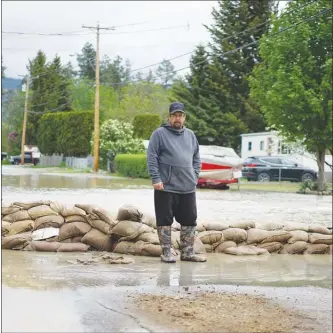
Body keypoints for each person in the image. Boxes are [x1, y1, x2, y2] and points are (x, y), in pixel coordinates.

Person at [147, 102, 206, 263]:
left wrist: (194, 176)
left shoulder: (191, 135)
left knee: (190, 219)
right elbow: (152, 157)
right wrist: (156, 178)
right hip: (165, 186)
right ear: (169, 117)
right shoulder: (159, 134)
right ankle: (166, 252)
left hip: (187, 186)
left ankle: (187, 252)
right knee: (165, 220)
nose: (177, 118)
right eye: (174, 115)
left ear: (184, 117)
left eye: (180, 115)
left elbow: (196, 158)